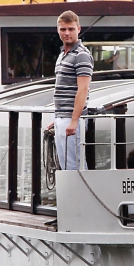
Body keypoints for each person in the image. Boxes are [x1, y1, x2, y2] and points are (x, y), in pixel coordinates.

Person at [49, 10, 93, 171]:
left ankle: (82, 196)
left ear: (78, 29)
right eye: (63, 29)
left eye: (71, 29)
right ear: (58, 30)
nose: (66, 33)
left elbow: (83, 89)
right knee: (66, 166)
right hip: (63, 117)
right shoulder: (63, 54)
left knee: (76, 166)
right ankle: (72, 196)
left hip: (73, 119)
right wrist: (58, 117)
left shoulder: (81, 55)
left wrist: (74, 120)